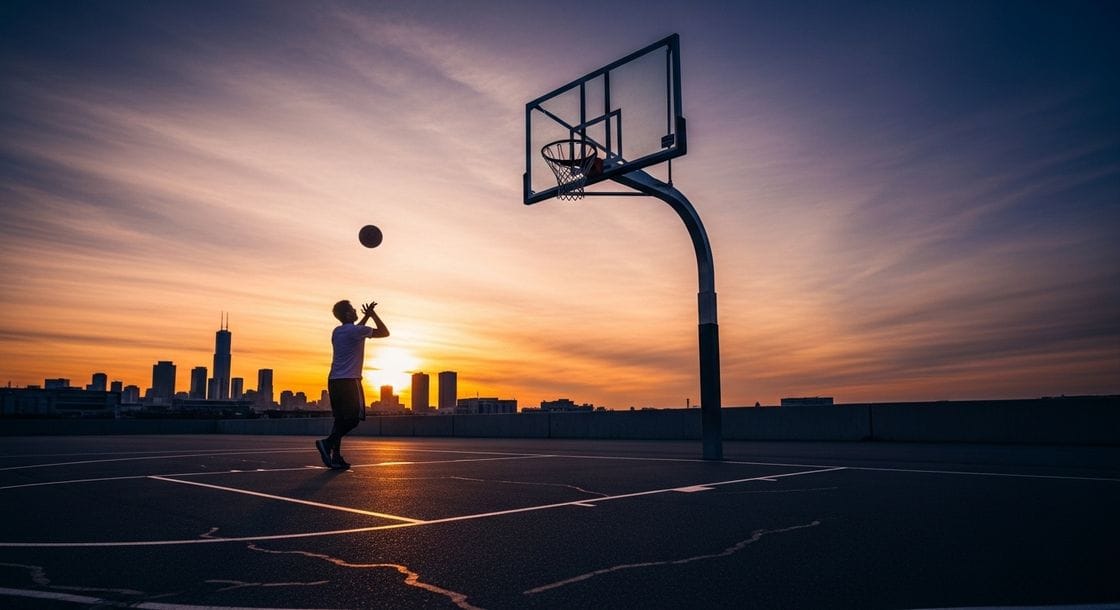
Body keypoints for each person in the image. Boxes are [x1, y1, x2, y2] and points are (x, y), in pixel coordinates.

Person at [316, 299, 389, 469]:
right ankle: (327, 444)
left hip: (334, 381)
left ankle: (335, 457)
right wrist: (372, 315)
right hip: (350, 381)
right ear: (349, 314)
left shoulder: (337, 331)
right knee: (353, 420)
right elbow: (385, 332)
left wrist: (365, 318)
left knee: (339, 420)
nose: (356, 311)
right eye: (353, 309)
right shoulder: (356, 331)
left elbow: (356, 331)